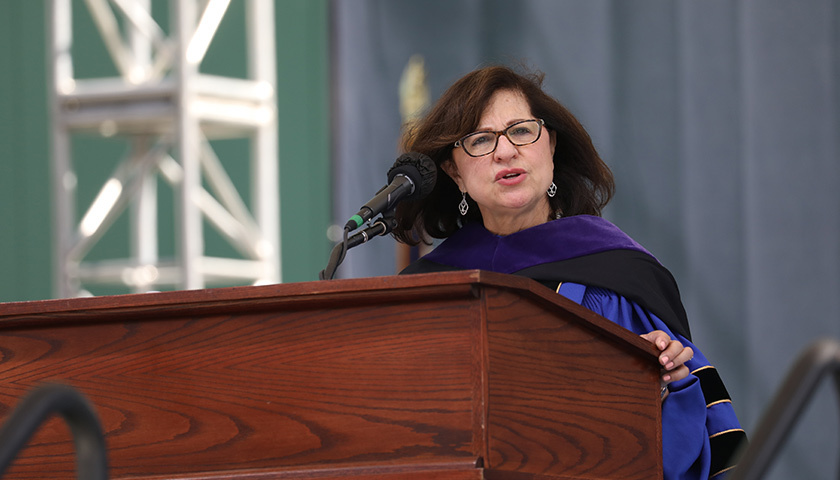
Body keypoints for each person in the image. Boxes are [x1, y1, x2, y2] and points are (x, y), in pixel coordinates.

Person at [393, 65, 745, 479]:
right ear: (455, 173)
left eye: (521, 131)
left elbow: (683, 455)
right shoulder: (431, 290)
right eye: (481, 140)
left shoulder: (614, 274)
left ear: (551, 146)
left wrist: (664, 383)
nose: (505, 152)